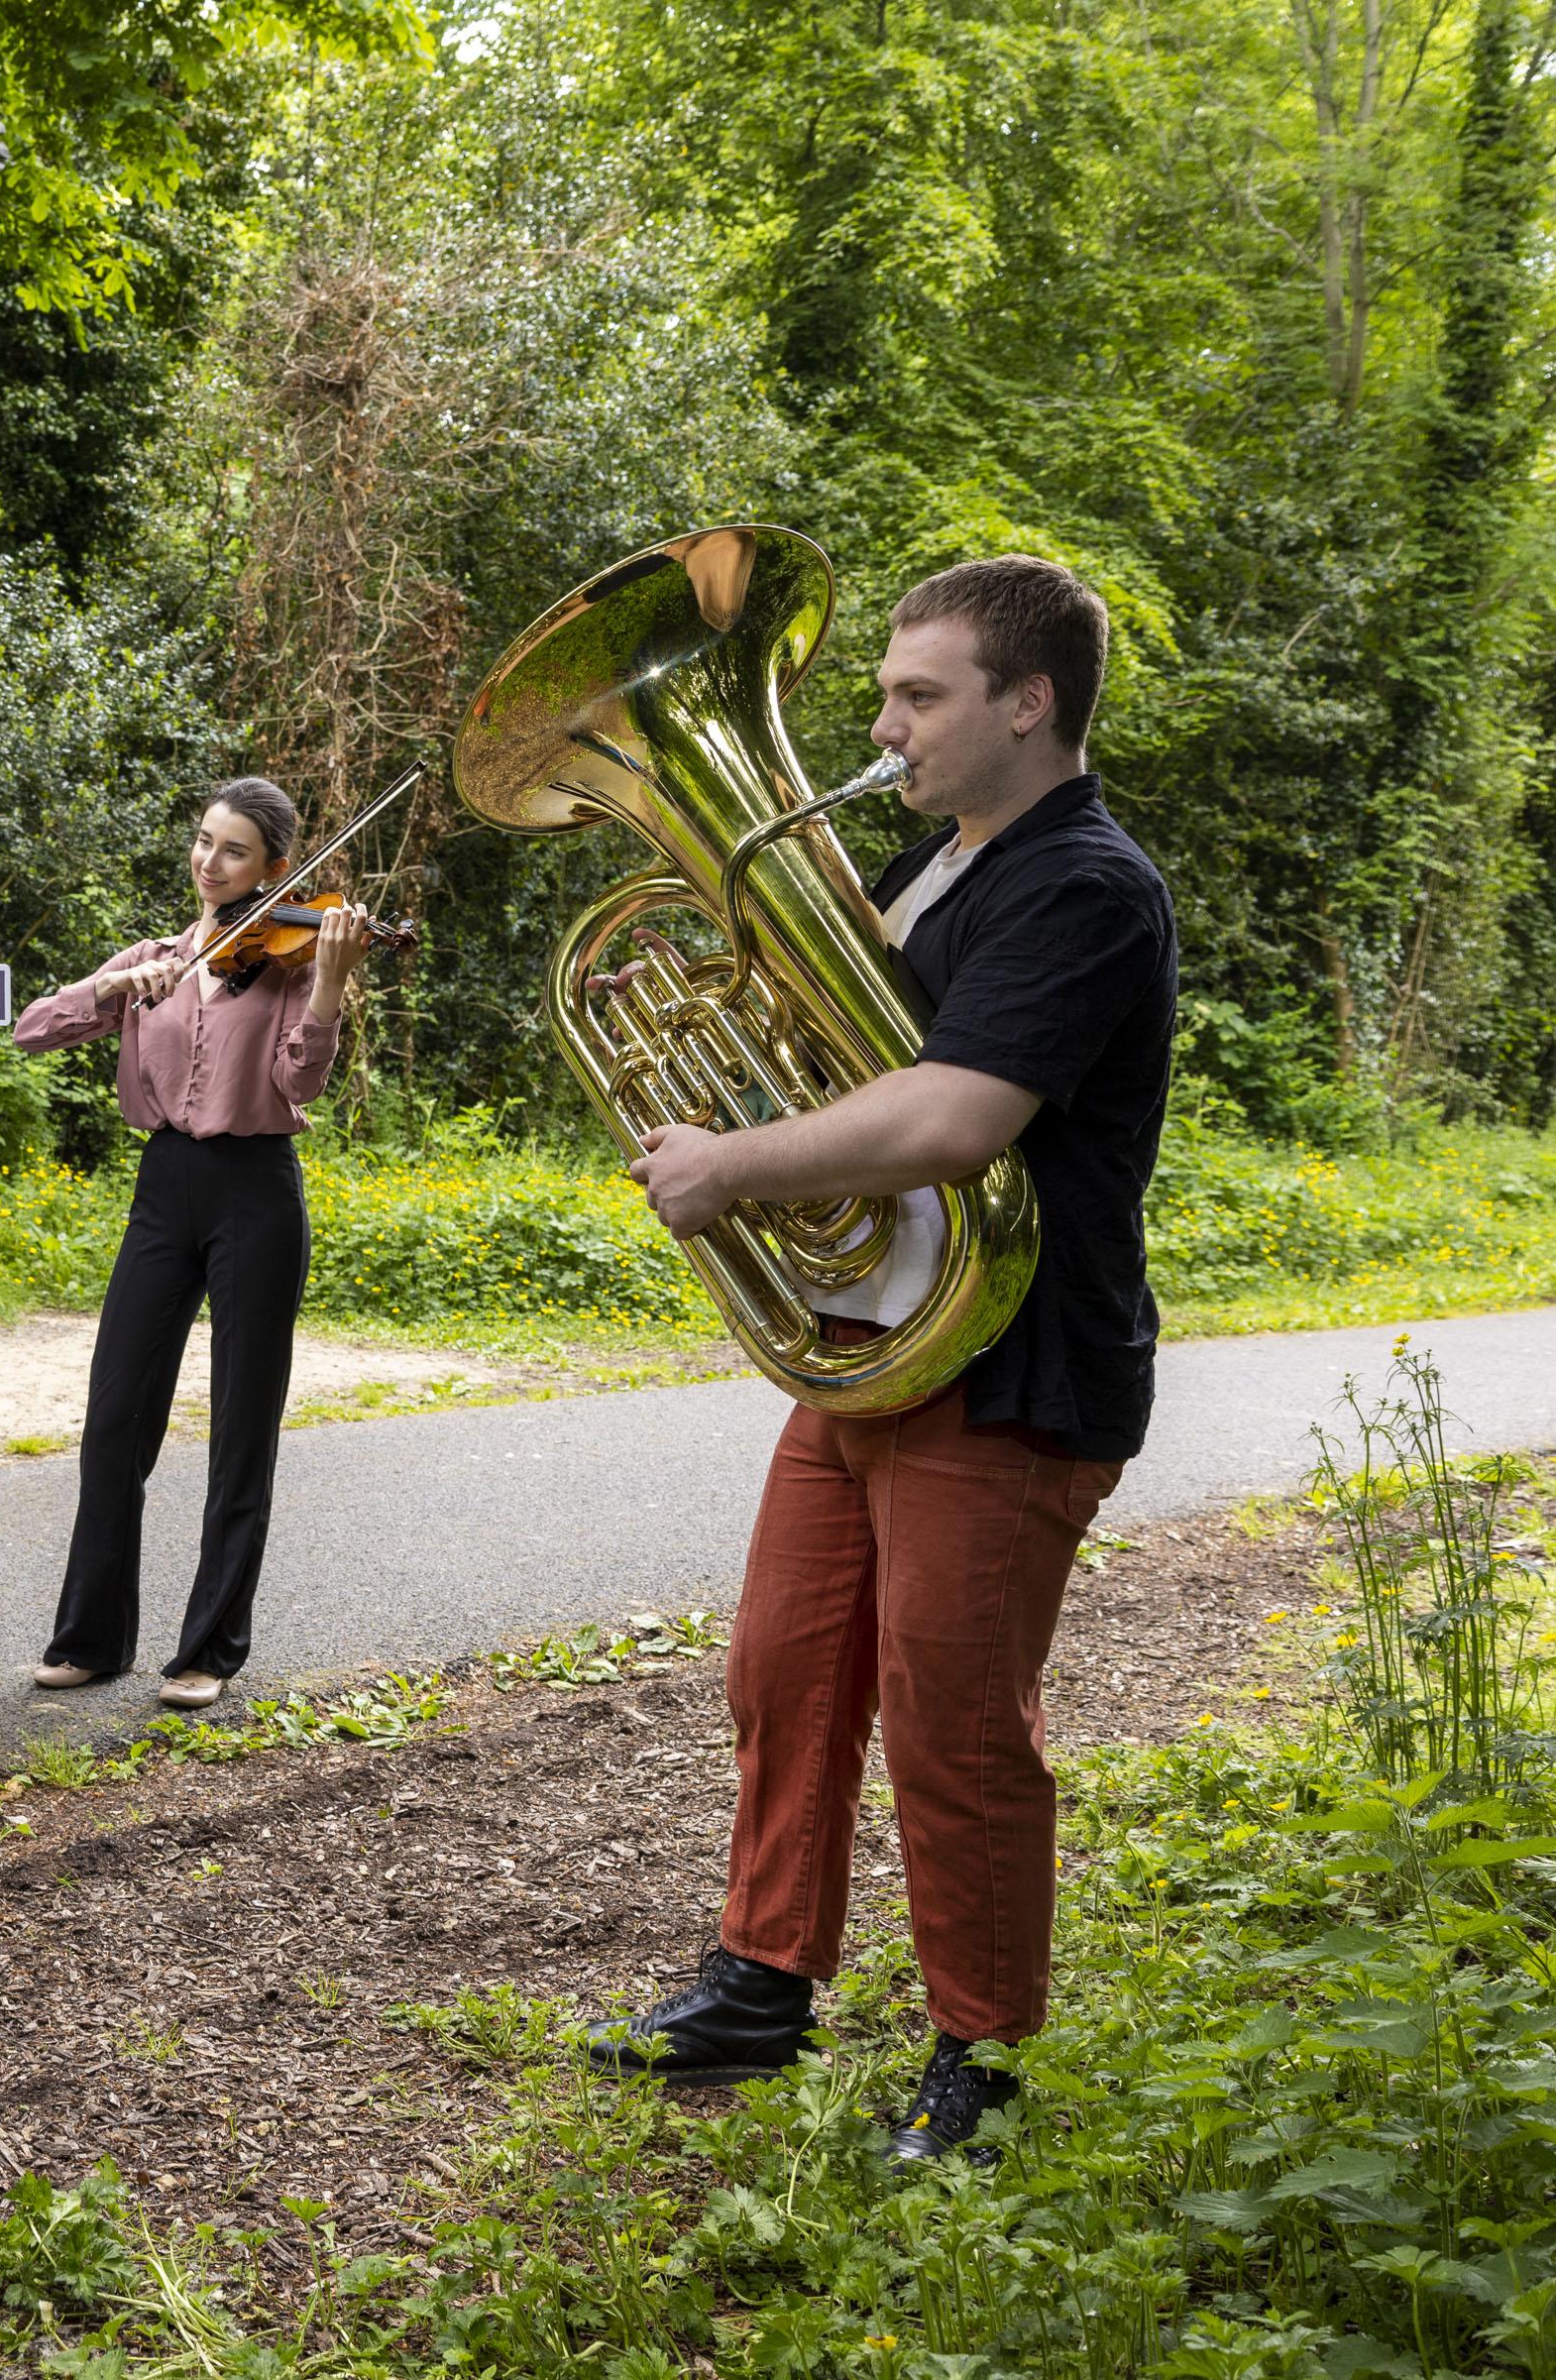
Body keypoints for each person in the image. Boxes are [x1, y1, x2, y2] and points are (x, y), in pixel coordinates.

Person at [582, 556, 1176, 2167]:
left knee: (953, 1724)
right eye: (887, 691)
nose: (881, 719)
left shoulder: (1085, 885)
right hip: (869, 1347)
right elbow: (842, 1054)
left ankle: (976, 2061)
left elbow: (952, 1116)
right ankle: (764, 1977)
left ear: (1024, 702)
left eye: (918, 694)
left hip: (1005, 1365)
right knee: (781, 1668)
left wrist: (733, 1161)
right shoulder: (930, 867)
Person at [13, 778, 373, 1709]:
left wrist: (329, 983)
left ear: (275, 869)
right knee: (113, 1419)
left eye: (234, 851)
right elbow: (29, 1032)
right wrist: (109, 988)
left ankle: (209, 1648)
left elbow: (301, 1081)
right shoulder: (157, 959)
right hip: (162, 1187)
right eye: (204, 843)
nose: (210, 863)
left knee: (239, 1427)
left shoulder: (294, 961)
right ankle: (93, 1638)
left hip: (255, 1191)